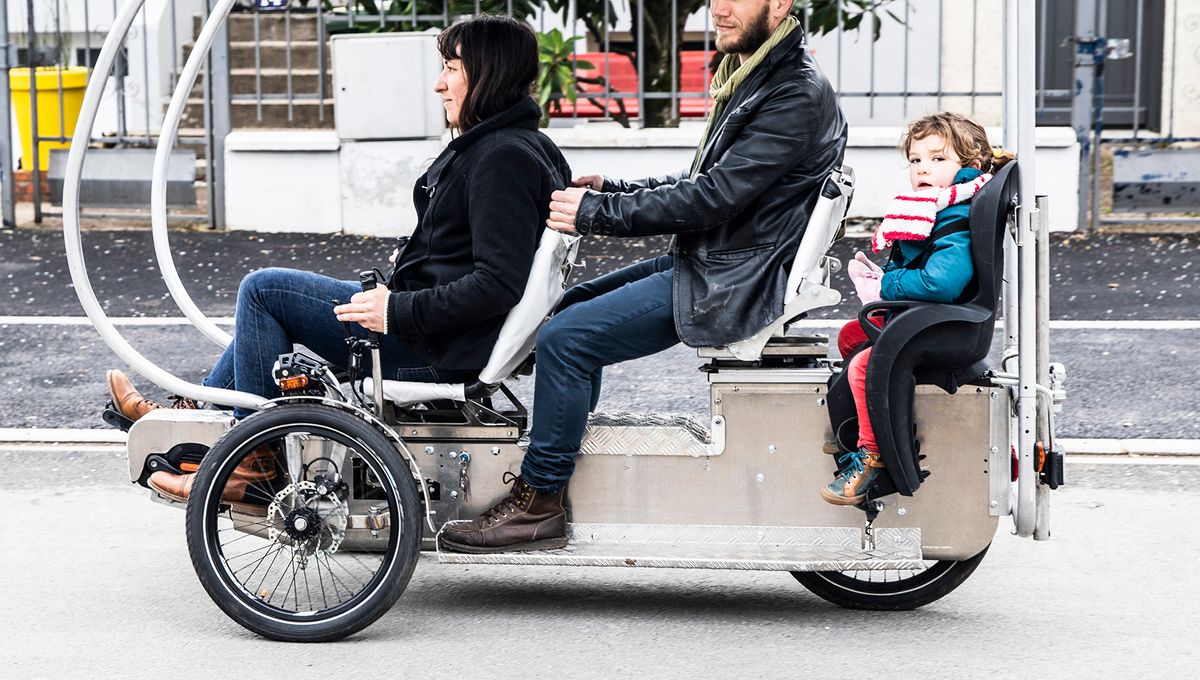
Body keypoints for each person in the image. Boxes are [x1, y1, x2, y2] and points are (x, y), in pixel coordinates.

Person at [107, 15, 571, 505]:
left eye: (452, 69)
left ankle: (253, 461)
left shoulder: (501, 157)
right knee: (272, 307)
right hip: (436, 333)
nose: (439, 84)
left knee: (264, 291)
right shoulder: (523, 145)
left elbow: (497, 283)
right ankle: (194, 415)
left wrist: (394, 310)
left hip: (433, 348)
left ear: (488, 74)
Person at [438, 0, 847, 554]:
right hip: (722, 260)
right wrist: (614, 189)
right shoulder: (760, 74)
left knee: (566, 339)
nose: (719, 10)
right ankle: (564, 448)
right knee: (566, 310)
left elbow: (713, 197)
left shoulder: (793, 91)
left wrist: (597, 213)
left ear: (780, 4)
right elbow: (707, 180)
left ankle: (539, 502)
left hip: (735, 279)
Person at [821, 111, 1015, 505]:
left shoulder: (955, 213)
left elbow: (942, 282)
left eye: (938, 158)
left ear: (969, 164)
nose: (923, 168)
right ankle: (865, 420)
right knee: (851, 337)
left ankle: (874, 456)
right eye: (915, 159)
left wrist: (885, 285)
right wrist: (884, 282)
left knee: (863, 366)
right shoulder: (940, 205)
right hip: (932, 318)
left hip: (949, 326)